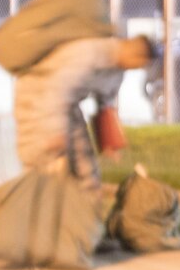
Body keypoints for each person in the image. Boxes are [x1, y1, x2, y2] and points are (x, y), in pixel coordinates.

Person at [13, 34, 154, 198]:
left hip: (68, 106)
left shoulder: (117, 71)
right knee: (46, 167)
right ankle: (32, 212)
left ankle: (87, 214)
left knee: (86, 168)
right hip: (37, 100)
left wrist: (108, 142)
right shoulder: (92, 51)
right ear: (133, 52)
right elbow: (56, 89)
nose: (136, 67)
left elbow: (105, 103)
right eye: (139, 62)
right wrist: (55, 132)